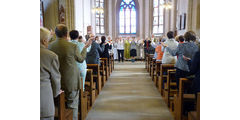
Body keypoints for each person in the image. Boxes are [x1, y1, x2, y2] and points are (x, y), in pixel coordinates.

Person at [48, 24, 92, 120]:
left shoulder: (50, 46)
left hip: (55, 81)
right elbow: (80, 59)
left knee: (58, 105)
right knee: (72, 105)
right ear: (66, 33)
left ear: (56, 34)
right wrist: (85, 47)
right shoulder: (72, 46)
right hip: (70, 80)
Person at [40, 27, 61, 120]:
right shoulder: (50, 56)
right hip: (43, 101)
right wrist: (56, 93)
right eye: (48, 41)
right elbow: (56, 80)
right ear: (44, 41)